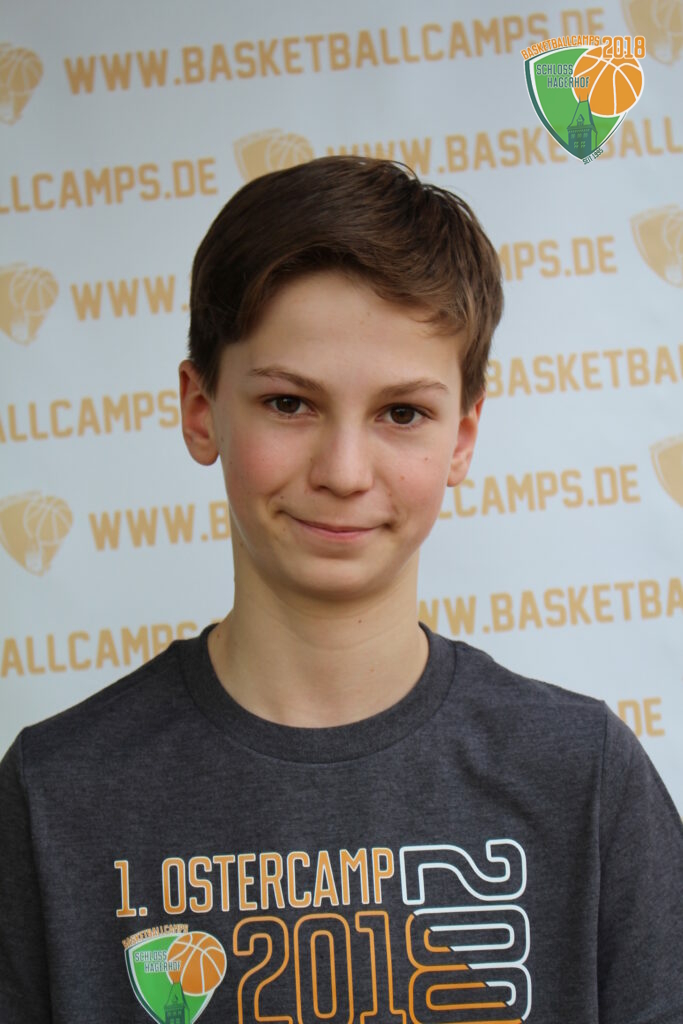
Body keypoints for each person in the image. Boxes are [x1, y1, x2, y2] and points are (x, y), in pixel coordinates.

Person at [0, 157, 681, 1024]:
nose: (345, 471)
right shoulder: (54, 794)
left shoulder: (584, 777)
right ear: (201, 409)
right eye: (290, 404)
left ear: (462, 438)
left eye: (402, 413)